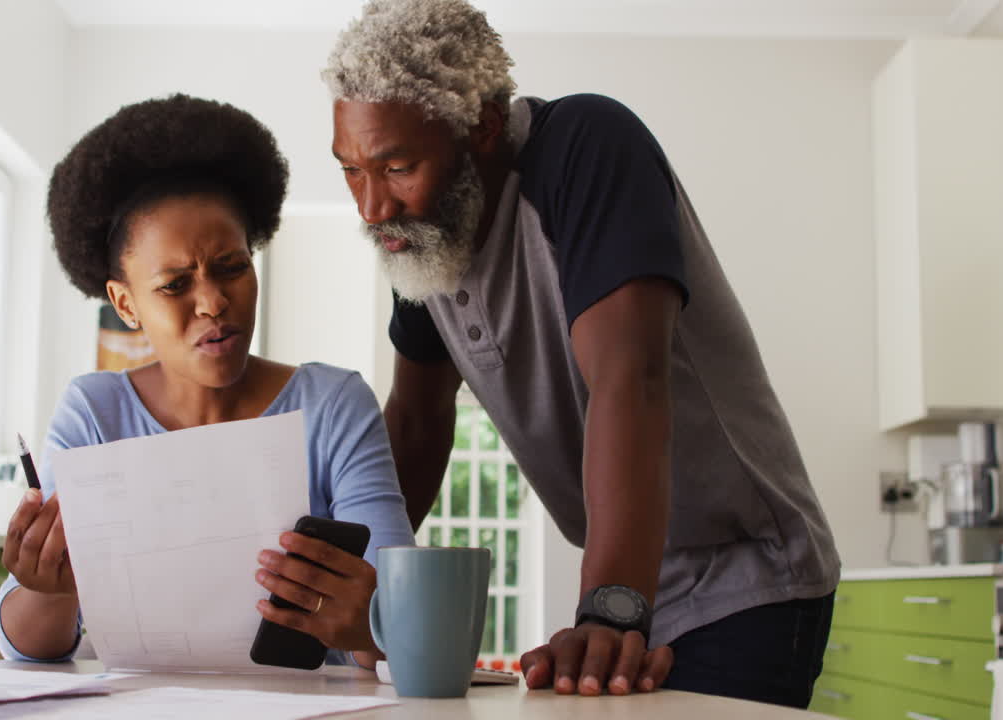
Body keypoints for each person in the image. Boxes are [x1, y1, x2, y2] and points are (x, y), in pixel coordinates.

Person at [322, 0, 840, 707]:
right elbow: (414, 422)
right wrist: (342, 587)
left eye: (397, 165)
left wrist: (609, 609)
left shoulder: (586, 145)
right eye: (351, 171)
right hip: (630, 580)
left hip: (743, 577)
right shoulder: (423, 239)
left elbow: (630, 381)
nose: (372, 206)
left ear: (483, 128)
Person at [0, 95, 414, 670]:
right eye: (173, 285)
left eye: (233, 267)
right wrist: (47, 586)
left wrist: (375, 624)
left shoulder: (334, 406)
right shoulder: (94, 414)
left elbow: (402, 627)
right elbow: (29, 645)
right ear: (126, 303)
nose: (214, 302)